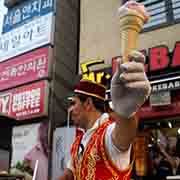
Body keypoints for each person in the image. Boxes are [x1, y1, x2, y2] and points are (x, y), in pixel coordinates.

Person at [59, 47, 151, 180]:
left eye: (73, 103)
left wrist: (125, 112)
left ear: (88, 104)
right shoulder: (78, 140)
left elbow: (124, 136)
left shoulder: (108, 132)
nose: (69, 110)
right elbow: (69, 175)